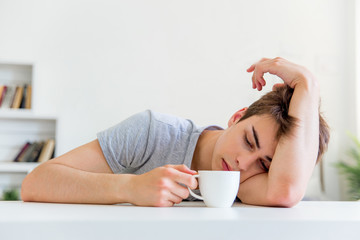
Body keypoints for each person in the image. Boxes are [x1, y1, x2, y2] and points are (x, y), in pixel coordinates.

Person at [21, 57, 330, 207]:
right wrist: (130, 188)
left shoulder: (249, 183)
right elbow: (36, 183)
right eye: (249, 141)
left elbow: (285, 190)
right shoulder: (154, 132)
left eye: (265, 164)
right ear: (237, 118)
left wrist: (308, 85)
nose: (243, 164)